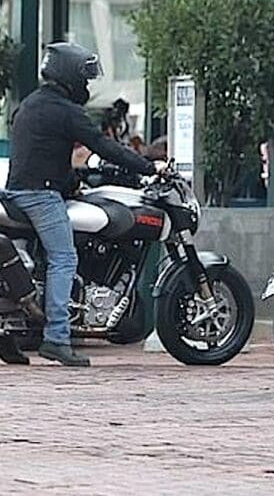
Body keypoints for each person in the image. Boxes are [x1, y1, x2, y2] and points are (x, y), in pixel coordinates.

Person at [2, 42, 164, 367]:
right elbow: (104, 145)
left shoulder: (29, 105)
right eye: (85, 79)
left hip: (16, 193)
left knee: (49, 257)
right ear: (71, 76)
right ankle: (57, 339)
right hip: (41, 197)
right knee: (64, 258)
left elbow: (41, 155)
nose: (87, 86)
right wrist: (149, 165)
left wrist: (73, 182)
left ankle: (9, 335)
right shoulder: (66, 111)